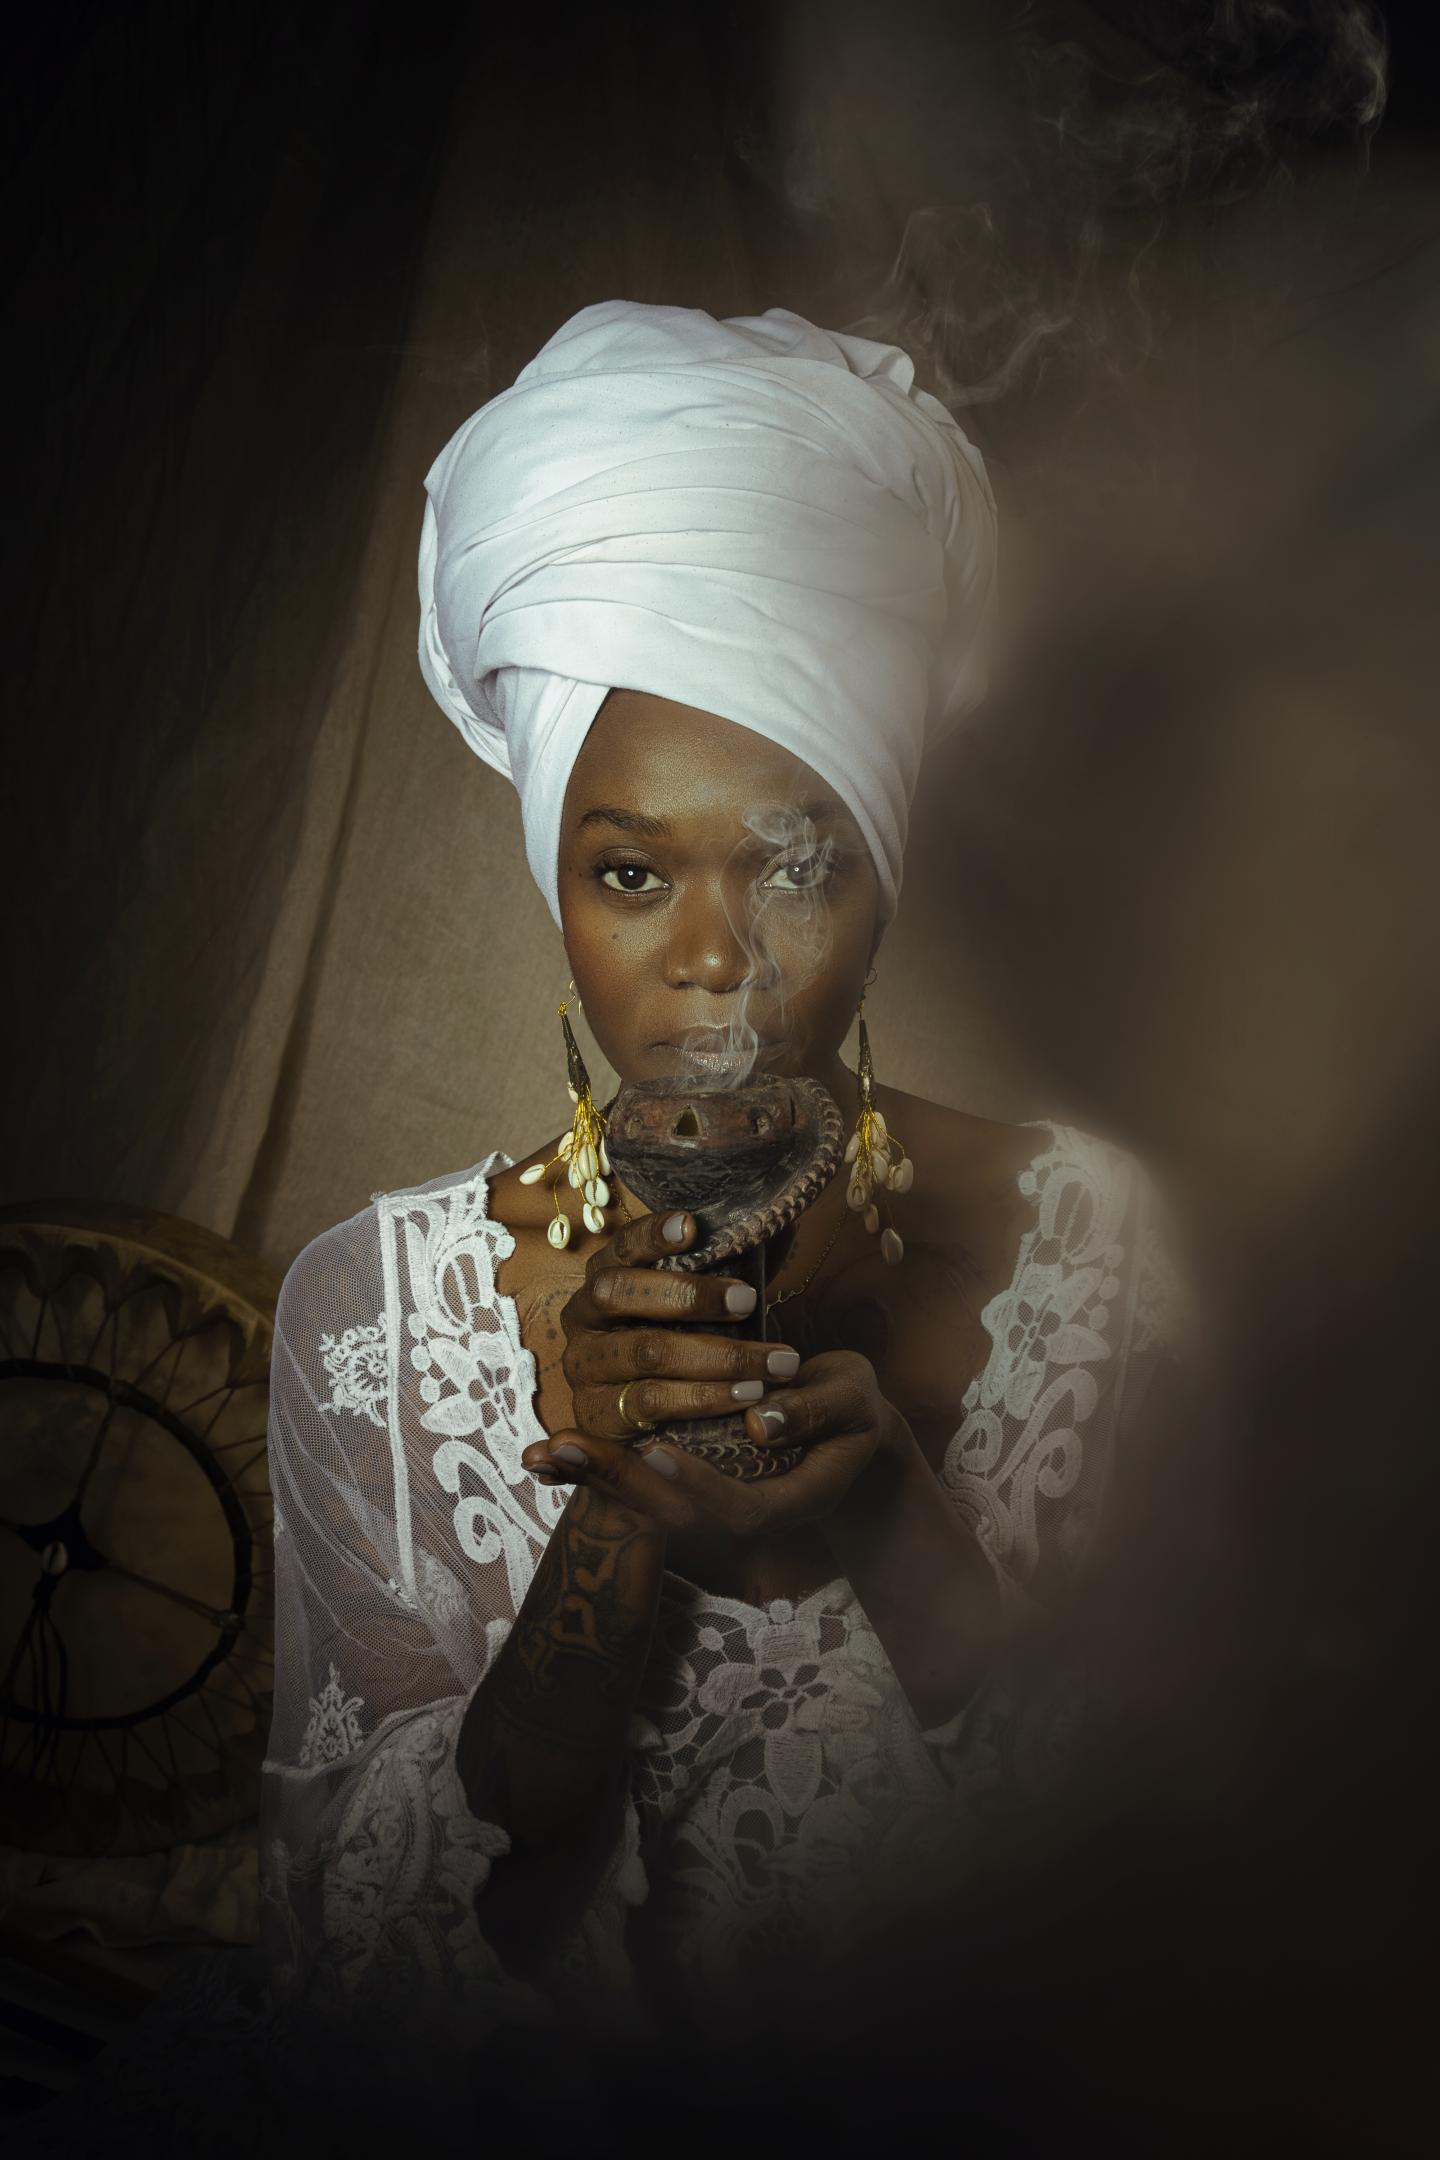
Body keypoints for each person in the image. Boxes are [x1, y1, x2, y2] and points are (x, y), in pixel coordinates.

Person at [257, 301, 1185, 2123]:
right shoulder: (369, 1315)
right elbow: (354, 1984)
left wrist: (903, 1525)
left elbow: (1220, 1929)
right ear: (556, 881)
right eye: (627, 872)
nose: (713, 962)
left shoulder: (1123, 1262)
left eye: (796, 861)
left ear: (890, 870)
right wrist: (616, 1516)